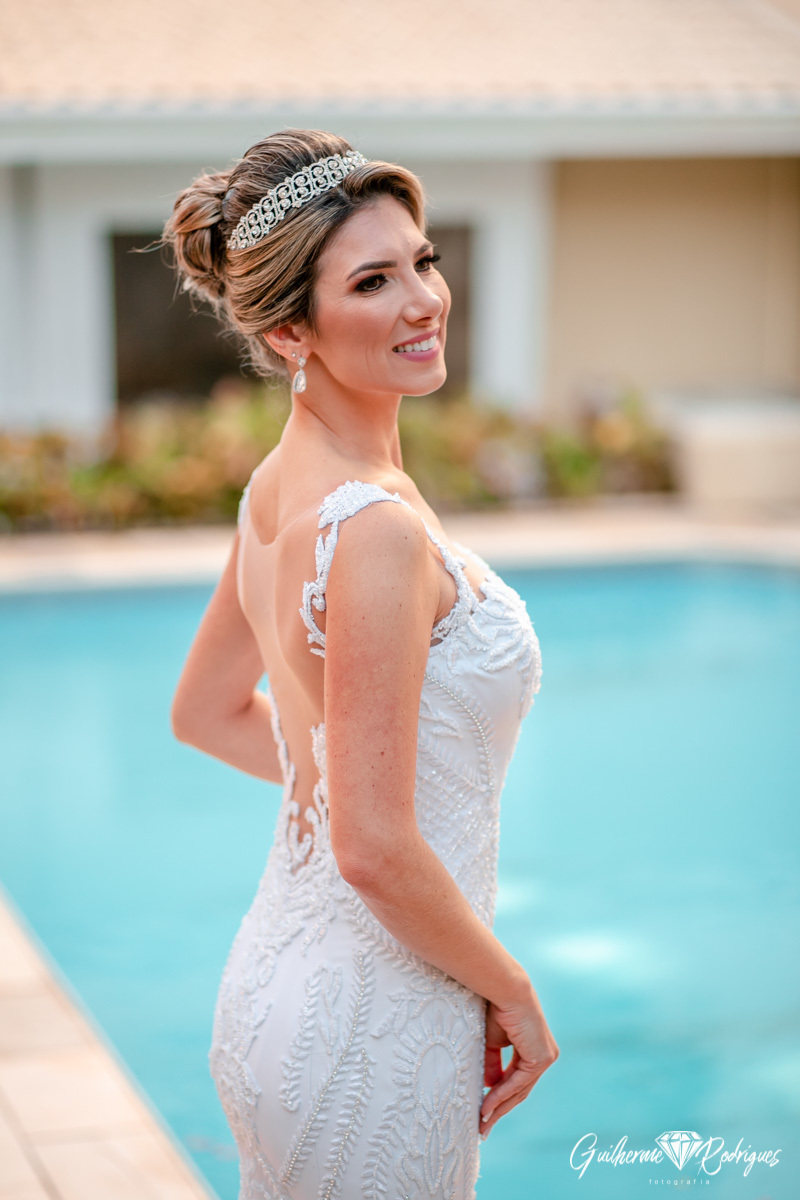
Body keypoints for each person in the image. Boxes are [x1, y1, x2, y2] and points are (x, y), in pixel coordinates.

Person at [166, 128, 559, 1200]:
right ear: (292, 329)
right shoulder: (373, 527)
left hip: (272, 991)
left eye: (421, 262)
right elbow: (373, 847)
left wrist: (354, 776)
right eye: (373, 282)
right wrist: (512, 990)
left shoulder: (273, 490)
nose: (422, 300)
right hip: (375, 1019)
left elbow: (202, 713)